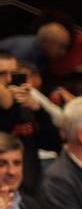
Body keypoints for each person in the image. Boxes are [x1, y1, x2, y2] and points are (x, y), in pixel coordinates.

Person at [0, 49, 58, 192]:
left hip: (30, 191)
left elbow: (53, 144)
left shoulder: (25, 107)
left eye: (13, 74)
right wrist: (10, 106)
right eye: (1, 74)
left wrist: (38, 110)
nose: (8, 80)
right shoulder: (13, 107)